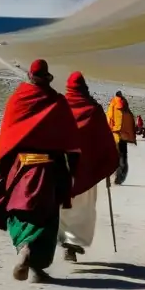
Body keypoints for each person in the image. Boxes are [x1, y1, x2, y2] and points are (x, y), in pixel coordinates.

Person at [0, 59, 81, 283]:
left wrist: (4, 168)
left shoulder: (18, 99)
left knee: (17, 212)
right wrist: (73, 169)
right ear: (47, 77)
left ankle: (24, 249)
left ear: (30, 76)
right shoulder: (58, 101)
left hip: (22, 168)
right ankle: (35, 264)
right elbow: (71, 141)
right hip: (50, 169)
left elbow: (8, 134)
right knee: (47, 217)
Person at [59, 72, 120, 263]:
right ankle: (72, 242)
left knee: (63, 206)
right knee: (83, 207)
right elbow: (105, 141)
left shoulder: (59, 107)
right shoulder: (94, 109)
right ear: (84, 87)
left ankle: (64, 241)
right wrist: (107, 162)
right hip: (87, 169)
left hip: (63, 168)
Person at [106, 91, 136, 184]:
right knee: (123, 156)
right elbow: (131, 120)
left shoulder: (113, 105)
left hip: (115, 134)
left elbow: (109, 118)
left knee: (115, 155)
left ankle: (116, 176)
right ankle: (121, 176)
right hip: (124, 135)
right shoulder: (126, 107)